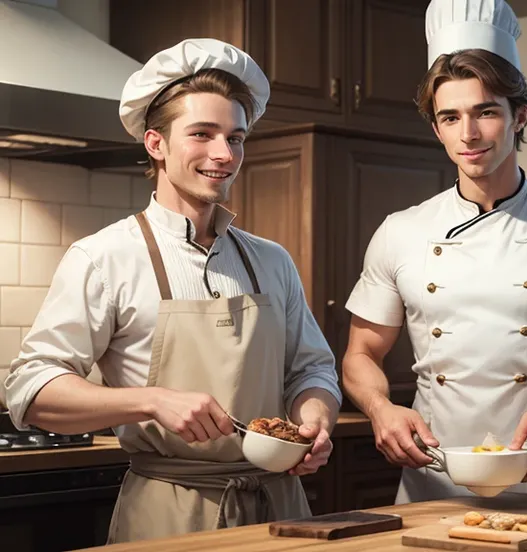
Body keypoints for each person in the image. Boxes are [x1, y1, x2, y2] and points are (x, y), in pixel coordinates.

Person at [1, 38, 342, 542]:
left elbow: (311, 369)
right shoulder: (103, 257)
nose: (224, 154)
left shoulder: (272, 259)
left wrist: (314, 422)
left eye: (237, 138)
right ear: (155, 143)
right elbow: (30, 390)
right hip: (167, 517)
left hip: (279, 510)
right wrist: (151, 401)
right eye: (202, 134)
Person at [341, 0, 527, 504]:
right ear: (436, 127)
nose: (469, 134)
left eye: (485, 112)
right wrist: (380, 409)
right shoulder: (400, 232)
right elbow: (359, 355)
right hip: (434, 479)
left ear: (519, 116)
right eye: (450, 117)